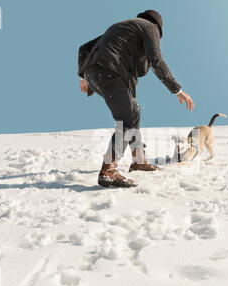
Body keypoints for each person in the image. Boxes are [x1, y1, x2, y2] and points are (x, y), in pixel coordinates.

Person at [78, 10, 194, 188]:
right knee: (126, 120)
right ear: (158, 27)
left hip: (96, 73)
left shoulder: (122, 27)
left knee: (133, 112)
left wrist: (83, 77)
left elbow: (84, 48)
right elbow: (156, 60)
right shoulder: (150, 28)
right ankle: (108, 170)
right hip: (109, 71)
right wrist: (177, 89)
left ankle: (138, 159)